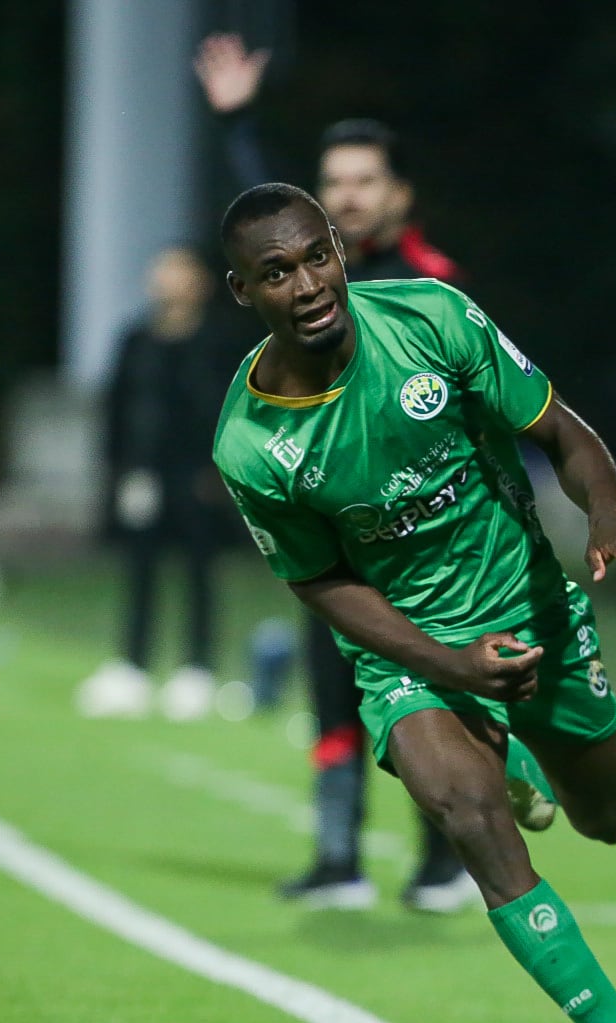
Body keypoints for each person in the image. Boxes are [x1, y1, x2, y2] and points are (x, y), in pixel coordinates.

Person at [212, 183, 616, 1023]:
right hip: (414, 657)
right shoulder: (251, 444)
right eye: (275, 273)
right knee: (467, 817)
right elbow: (323, 585)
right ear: (242, 292)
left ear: (340, 251)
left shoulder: (432, 320)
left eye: (316, 256)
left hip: (533, 617)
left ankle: (524, 761)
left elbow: (563, 433)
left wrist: (612, 520)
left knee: (607, 820)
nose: (306, 284)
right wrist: (449, 666)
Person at [197, 33, 551, 912]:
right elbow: (259, 220)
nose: (346, 197)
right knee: (333, 685)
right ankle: (337, 853)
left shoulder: (430, 286)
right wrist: (238, 120)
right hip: (346, 536)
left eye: (363, 181)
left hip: (430, 546)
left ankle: (442, 859)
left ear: (398, 193)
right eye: (336, 183)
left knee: (437, 688)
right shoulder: (303, 276)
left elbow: (489, 411)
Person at [75, 246, 249, 720]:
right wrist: (117, 469)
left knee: (199, 569)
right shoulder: (135, 339)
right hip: (144, 472)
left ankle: (198, 668)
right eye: (162, 269)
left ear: (201, 281)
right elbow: (117, 407)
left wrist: (223, 468)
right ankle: (132, 665)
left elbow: (236, 405)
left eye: (179, 269)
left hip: (198, 473)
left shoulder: (217, 340)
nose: (167, 278)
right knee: (140, 567)